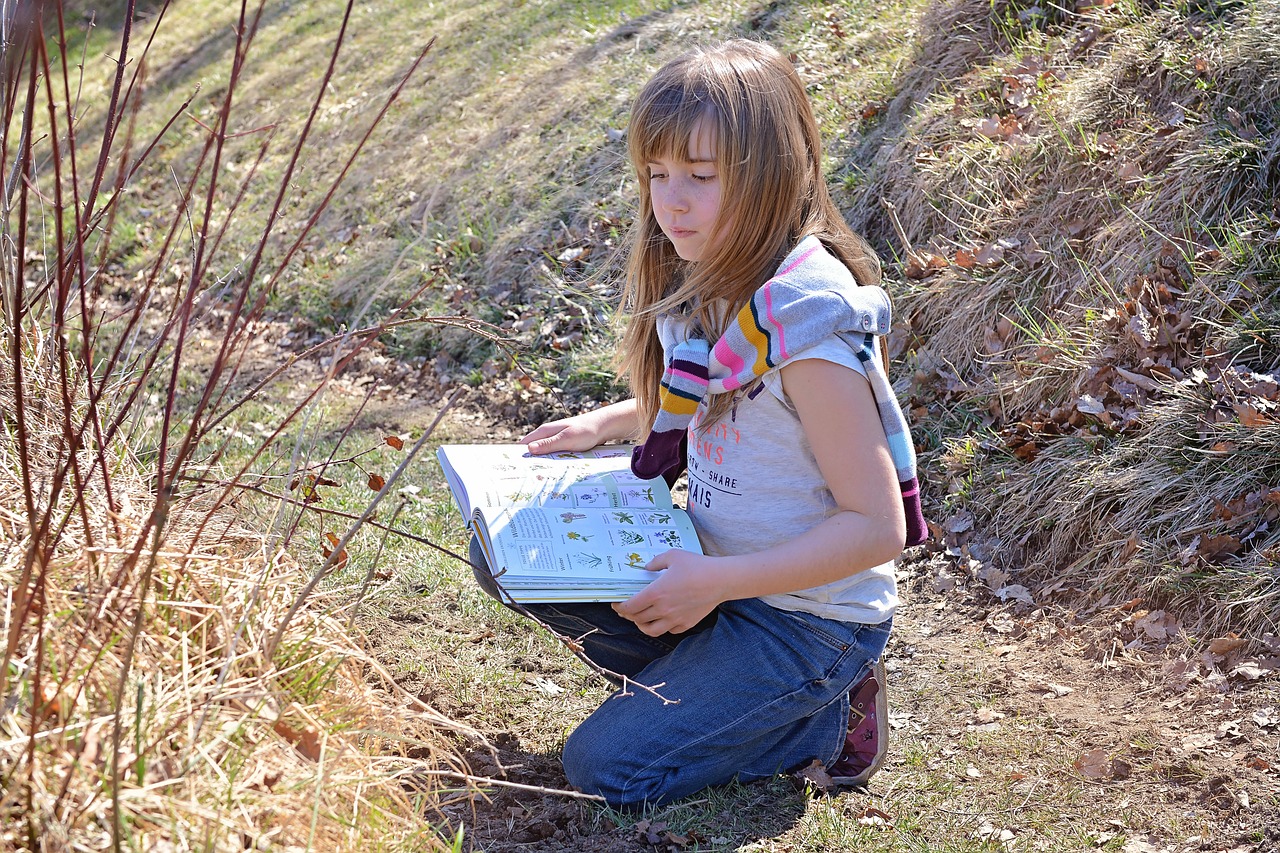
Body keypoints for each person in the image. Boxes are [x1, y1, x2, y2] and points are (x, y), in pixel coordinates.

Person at [467, 38, 926, 809]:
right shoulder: (715, 277)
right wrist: (610, 422)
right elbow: (721, 392)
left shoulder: (807, 331)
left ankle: (821, 720)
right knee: (506, 553)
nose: (670, 202)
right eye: (656, 176)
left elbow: (877, 526)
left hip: (804, 622)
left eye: (700, 178)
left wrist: (717, 583)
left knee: (604, 766)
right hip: (718, 576)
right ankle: (713, 696)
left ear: (773, 174)